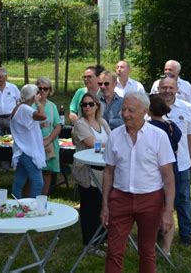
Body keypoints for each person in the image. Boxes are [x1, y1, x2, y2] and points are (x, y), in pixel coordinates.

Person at [101, 91, 175, 272]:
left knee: (147, 251)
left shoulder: (159, 136)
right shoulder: (115, 136)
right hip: (120, 198)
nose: (125, 114)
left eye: (131, 110)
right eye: (123, 109)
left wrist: (168, 211)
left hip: (150, 200)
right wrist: (105, 204)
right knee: (114, 251)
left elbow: (168, 177)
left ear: (145, 111)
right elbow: (108, 172)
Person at [72, 92, 111, 257]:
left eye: (90, 104)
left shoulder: (102, 122)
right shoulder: (80, 124)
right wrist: (108, 145)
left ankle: (103, 239)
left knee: (104, 205)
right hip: (88, 172)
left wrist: (108, 145)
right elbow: (91, 143)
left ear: (97, 105)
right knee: (90, 207)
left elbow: (112, 140)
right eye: (84, 104)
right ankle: (89, 244)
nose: (87, 107)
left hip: (104, 170)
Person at [157, 77, 191, 246]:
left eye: (170, 88)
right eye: (164, 87)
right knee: (158, 198)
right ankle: (158, 231)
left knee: (183, 199)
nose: (167, 91)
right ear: (158, 89)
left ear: (177, 89)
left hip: (182, 161)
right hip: (158, 164)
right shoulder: (151, 109)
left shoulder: (188, 109)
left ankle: (186, 234)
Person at [148, 94, 182, 255]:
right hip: (172, 167)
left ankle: (151, 244)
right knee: (169, 207)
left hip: (156, 170)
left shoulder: (150, 127)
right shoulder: (172, 125)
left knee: (153, 208)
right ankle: (166, 248)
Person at [10, 84, 47, 198]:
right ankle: (32, 207)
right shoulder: (24, 108)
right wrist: (39, 103)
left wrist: (38, 126)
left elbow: (26, 126)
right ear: (34, 96)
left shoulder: (20, 107)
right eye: (37, 93)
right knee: (38, 183)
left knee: (19, 182)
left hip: (22, 151)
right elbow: (42, 115)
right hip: (28, 152)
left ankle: (16, 205)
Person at [34, 77, 61, 195]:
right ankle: (32, 196)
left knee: (47, 172)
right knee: (34, 170)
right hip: (34, 143)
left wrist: (49, 140)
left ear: (50, 91)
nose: (42, 91)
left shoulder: (52, 106)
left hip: (48, 143)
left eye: (45, 89)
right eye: (39, 88)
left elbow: (58, 125)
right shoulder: (31, 105)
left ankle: (43, 197)